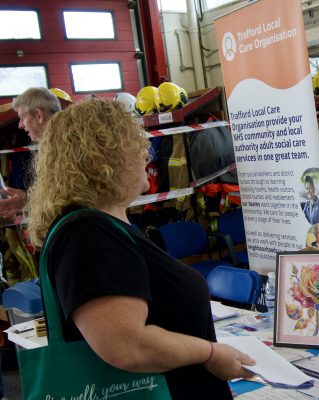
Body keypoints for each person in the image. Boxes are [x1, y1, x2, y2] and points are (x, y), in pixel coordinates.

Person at [26, 98, 255, 399]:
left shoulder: (101, 228)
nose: (146, 157)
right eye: (136, 147)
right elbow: (128, 346)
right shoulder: (88, 235)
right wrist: (211, 354)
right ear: (105, 159)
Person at [0, 87, 61, 221]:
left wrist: (27, 199)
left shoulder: (66, 148)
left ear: (39, 115)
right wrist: (26, 198)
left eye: (22, 118)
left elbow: (73, 197)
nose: (20, 125)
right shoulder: (52, 145)